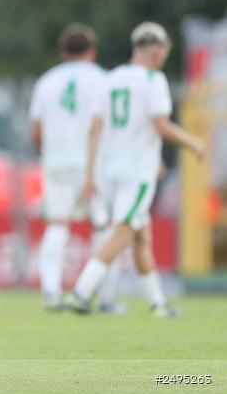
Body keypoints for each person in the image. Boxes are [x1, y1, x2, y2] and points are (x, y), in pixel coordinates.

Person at [66, 22, 205, 317]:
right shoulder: (153, 79)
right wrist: (192, 142)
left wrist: (91, 173)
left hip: (111, 169)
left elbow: (95, 128)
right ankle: (80, 292)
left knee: (142, 235)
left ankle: (157, 304)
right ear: (157, 51)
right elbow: (160, 125)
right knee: (123, 231)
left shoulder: (112, 78)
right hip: (137, 172)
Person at [29, 24, 118, 311]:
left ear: (63, 51)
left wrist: (47, 152)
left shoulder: (46, 81)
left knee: (57, 226)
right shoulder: (104, 79)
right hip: (95, 165)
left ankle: (51, 292)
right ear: (92, 51)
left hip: (56, 162)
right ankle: (104, 296)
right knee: (102, 229)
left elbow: (36, 130)